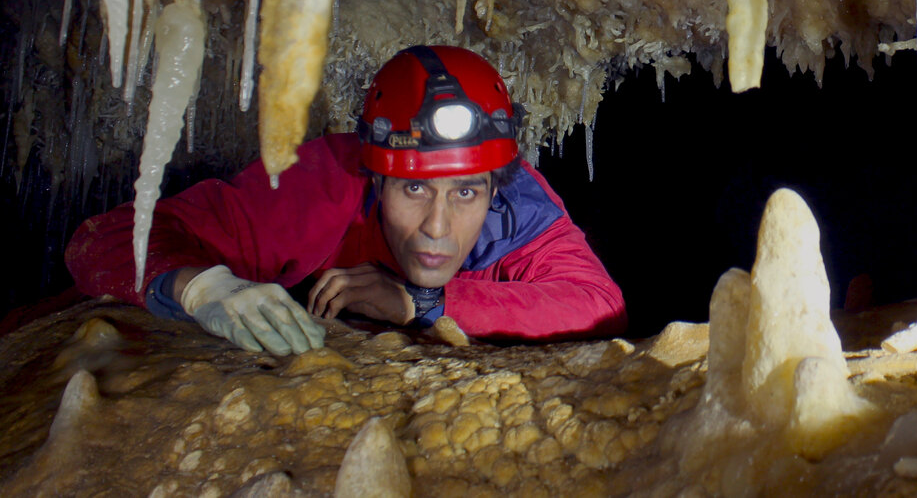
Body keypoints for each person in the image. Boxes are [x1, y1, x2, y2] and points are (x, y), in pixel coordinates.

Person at [66, 45, 627, 355]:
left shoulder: (519, 206)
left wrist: (424, 302)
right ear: (376, 180)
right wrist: (203, 287)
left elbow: (598, 304)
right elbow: (105, 240)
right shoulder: (325, 185)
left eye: (464, 191)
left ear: (495, 185)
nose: (438, 226)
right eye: (413, 188)